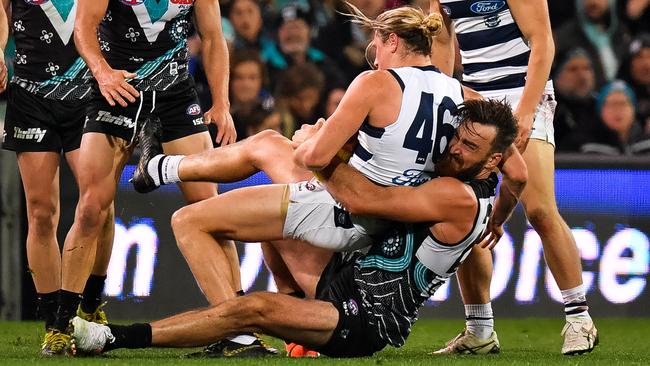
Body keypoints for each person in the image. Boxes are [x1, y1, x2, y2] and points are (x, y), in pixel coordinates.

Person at [70, 99, 525, 358]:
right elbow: (519, 175)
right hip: (346, 265)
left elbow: (369, 200)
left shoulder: (458, 196)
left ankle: (115, 338)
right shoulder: (479, 174)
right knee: (270, 169)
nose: (455, 148)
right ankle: (163, 169)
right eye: (460, 135)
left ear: (493, 160)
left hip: (362, 317)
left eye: (470, 146)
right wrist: (501, 220)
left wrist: (318, 152)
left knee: (251, 308)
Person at [48, 0, 274, 357]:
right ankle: (60, 327)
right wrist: (103, 72)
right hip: (116, 92)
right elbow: (84, 27)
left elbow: (214, 37)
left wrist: (222, 103)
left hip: (174, 96)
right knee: (91, 208)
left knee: (211, 210)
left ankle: (239, 332)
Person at [438, 0, 598, 355]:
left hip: (522, 92)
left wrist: (525, 111)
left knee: (540, 211)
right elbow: (443, 40)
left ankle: (579, 319)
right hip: (474, 101)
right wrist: (439, 95)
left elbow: (542, 40)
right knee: (464, 213)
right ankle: (479, 331)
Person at [0, 0, 116, 355]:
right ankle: (55, 325)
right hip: (31, 94)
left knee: (99, 206)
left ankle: (90, 305)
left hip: (90, 93)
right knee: (40, 211)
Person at [579, 80, 650, 154]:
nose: (618, 110)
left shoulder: (647, 144)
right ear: (600, 111)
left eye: (623, 103)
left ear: (633, 109)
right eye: (612, 104)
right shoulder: (590, 148)